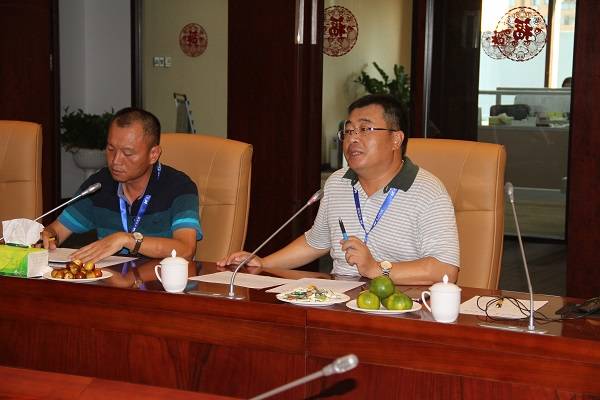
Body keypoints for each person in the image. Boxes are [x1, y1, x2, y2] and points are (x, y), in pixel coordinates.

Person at [218, 94, 459, 285]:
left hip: (400, 309)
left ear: (396, 139)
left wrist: (376, 269)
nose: (353, 139)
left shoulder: (427, 191)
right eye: (348, 131)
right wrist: (263, 263)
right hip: (340, 303)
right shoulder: (337, 182)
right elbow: (316, 242)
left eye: (365, 129)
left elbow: (445, 269)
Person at [41, 107, 202, 262]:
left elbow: (186, 249)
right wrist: (48, 236)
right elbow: (56, 231)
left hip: (160, 278)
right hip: (111, 278)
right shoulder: (99, 185)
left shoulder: (179, 187)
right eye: (111, 149)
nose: (116, 161)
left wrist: (127, 240)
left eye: (128, 153)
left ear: (153, 154)